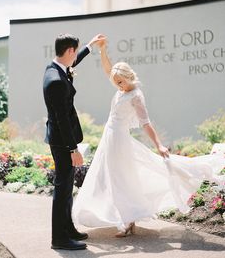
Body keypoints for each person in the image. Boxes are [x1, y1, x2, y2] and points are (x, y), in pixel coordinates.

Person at [73, 37, 225, 237]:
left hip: (119, 140)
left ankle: (128, 220)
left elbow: (146, 123)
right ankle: (127, 219)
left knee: (120, 178)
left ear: (129, 77)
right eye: (116, 82)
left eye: (121, 81)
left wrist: (159, 145)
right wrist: (102, 50)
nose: (118, 85)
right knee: (109, 176)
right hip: (108, 138)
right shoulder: (120, 86)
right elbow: (108, 70)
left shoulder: (135, 95)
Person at [43, 33, 104, 250]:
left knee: (67, 187)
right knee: (62, 188)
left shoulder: (56, 68)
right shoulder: (56, 81)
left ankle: (67, 229)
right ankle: (59, 239)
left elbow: (74, 62)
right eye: (76, 51)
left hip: (60, 138)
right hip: (62, 142)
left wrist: (89, 46)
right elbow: (61, 120)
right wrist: (73, 149)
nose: (76, 55)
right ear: (69, 51)